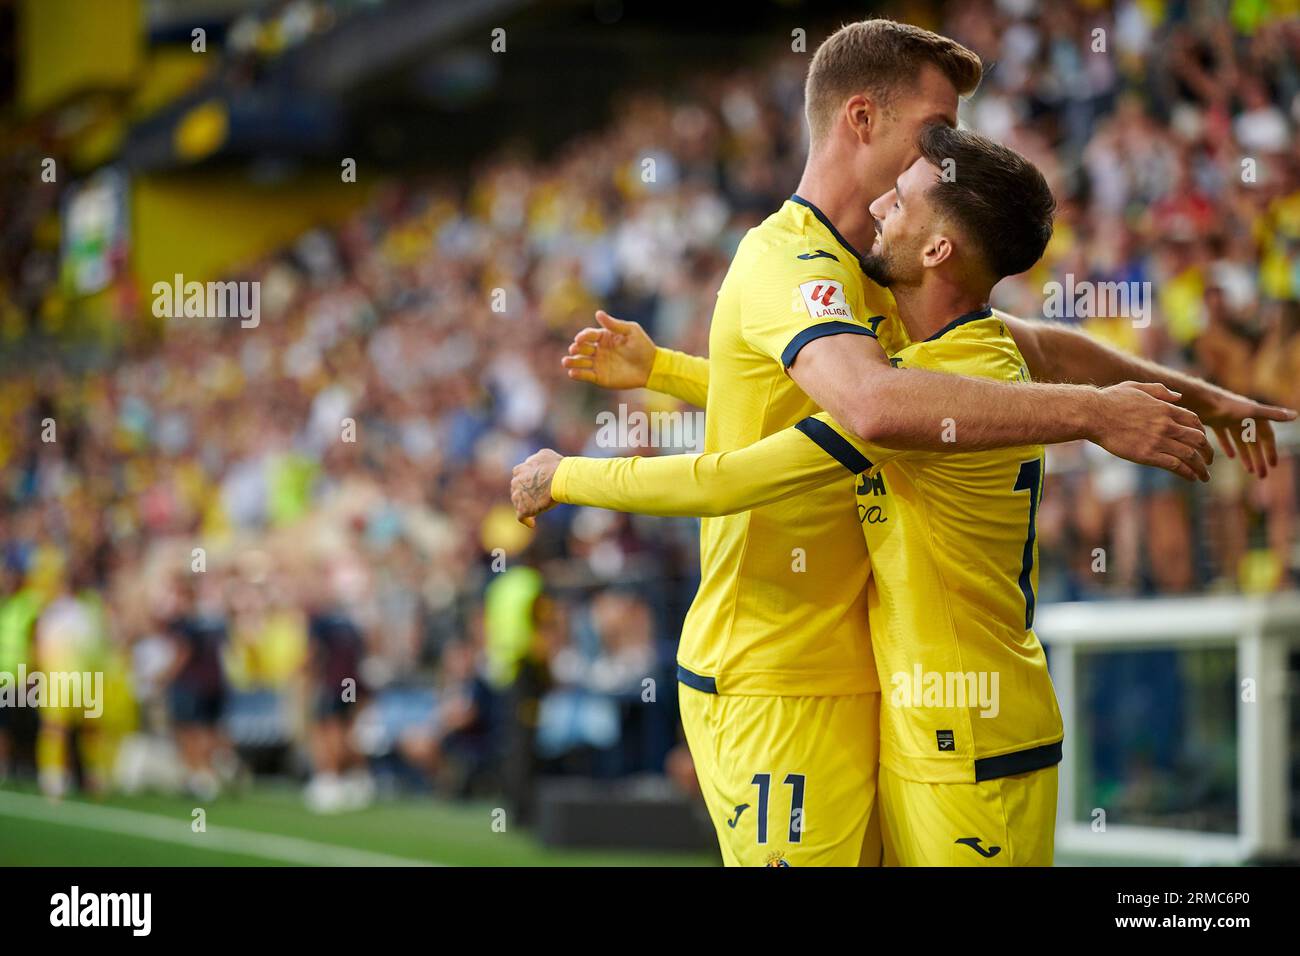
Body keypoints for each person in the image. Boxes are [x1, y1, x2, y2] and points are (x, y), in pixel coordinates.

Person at [510, 19, 1293, 866]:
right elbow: (853, 402)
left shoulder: (899, 292)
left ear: (940, 244)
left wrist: (1143, 405)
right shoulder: (817, 267)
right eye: (934, 132)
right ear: (860, 120)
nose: (947, 147)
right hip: (777, 671)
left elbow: (898, 396)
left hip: (910, 700)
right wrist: (665, 370)